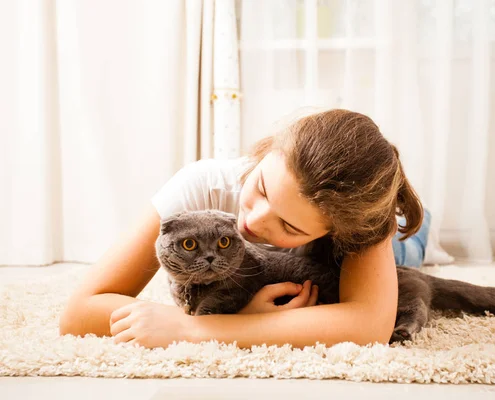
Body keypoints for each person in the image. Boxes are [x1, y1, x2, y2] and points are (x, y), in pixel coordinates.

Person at [59, 109, 430, 349]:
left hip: (397, 238)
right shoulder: (201, 185)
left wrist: (199, 329)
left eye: (288, 225)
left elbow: (368, 325)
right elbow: (79, 312)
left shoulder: (361, 220)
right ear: (267, 150)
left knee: (409, 253)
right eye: (262, 189)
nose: (252, 221)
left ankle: (421, 221)